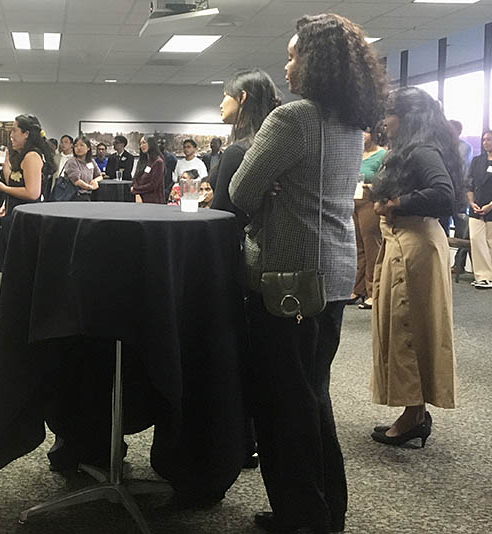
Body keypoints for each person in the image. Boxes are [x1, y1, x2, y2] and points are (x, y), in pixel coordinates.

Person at [229, 14, 388, 534]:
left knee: (285, 403)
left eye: (294, 55)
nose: (287, 63)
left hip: (288, 280)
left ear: (315, 62)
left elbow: (241, 193)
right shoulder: (349, 123)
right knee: (312, 394)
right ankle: (321, 510)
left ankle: (305, 518)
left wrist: (272, 193)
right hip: (334, 274)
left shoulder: (291, 120)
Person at [370, 86, 459, 449]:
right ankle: (415, 412)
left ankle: (412, 416)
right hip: (409, 244)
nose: (385, 121)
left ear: (406, 118)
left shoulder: (421, 150)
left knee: (409, 329)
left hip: (415, 247)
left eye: (390, 113)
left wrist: (397, 202)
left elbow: (444, 194)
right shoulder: (415, 149)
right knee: (410, 327)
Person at [213, 68, 282, 472]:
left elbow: (225, 213)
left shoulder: (239, 150)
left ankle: (240, 440)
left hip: (239, 260)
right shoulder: (267, 146)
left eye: (225, 96)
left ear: (242, 101)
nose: (220, 103)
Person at [213, 69, 281, 235]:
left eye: (225, 95)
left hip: (236, 244)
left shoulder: (236, 152)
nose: (221, 104)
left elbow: (220, 213)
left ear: (242, 97)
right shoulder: (271, 145)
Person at [0, 114, 55, 272]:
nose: (11, 135)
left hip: (28, 218)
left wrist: (3, 189)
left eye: (15, 131)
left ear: (26, 134)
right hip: (17, 213)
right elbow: (14, 180)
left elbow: (32, 193)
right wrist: (5, 163)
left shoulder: (32, 156)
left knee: (22, 266)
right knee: (14, 267)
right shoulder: (23, 155)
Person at [350, 124, 387, 309]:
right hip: (352, 201)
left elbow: (386, 181)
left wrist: (371, 188)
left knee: (372, 246)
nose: (362, 135)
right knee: (357, 247)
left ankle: (374, 291)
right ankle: (358, 289)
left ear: (373, 134)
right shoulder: (355, 152)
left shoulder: (382, 155)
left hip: (369, 201)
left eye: (365, 131)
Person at [467, 130, 492, 289]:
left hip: (491, 207)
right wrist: (471, 202)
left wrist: (490, 205)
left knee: (490, 242)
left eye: (489, 139)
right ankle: (483, 276)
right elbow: (468, 184)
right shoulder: (476, 161)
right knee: (476, 240)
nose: (485, 142)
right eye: (484, 140)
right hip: (476, 207)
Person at [450, 120, 473, 276]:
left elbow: (460, 169)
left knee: (461, 229)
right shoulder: (441, 145)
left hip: (459, 193)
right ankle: (442, 261)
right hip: (443, 192)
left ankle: (459, 264)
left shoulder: (465, 147)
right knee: (441, 227)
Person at [54, 136, 101, 201]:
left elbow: (99, 176)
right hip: (74, 196)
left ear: (88, 148)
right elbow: (76, 181)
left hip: (88, 195)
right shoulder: (72, 161)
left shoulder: (91, 161)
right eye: (76, 146)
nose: (78, 148)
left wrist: (95, 181)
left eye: (81, 145)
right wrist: (90, 187)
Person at [131, 136, 165, 204]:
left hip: (153, 201)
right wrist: (137, 194)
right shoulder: (142, 161)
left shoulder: (158, 162)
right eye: (140, 144)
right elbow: (135, 178)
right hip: (139, 198)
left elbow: (153, 185)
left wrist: (136, 190)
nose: (142, 146)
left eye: (144, 143)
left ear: (151, 143)